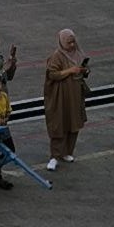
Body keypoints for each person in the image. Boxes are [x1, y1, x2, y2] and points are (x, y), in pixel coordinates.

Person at [43, 29, 88, 172]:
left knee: (73, 122)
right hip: (60, 96)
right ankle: (54, 156)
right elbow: (52, 74)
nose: (72, 45)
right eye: (69, 42)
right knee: (59, 124)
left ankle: (67, 152)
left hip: (75, 95)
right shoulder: (57, 56)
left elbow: (82, 70)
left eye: (73, 41)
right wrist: (70, 71)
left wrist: (83, 71)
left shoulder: (78, 53)